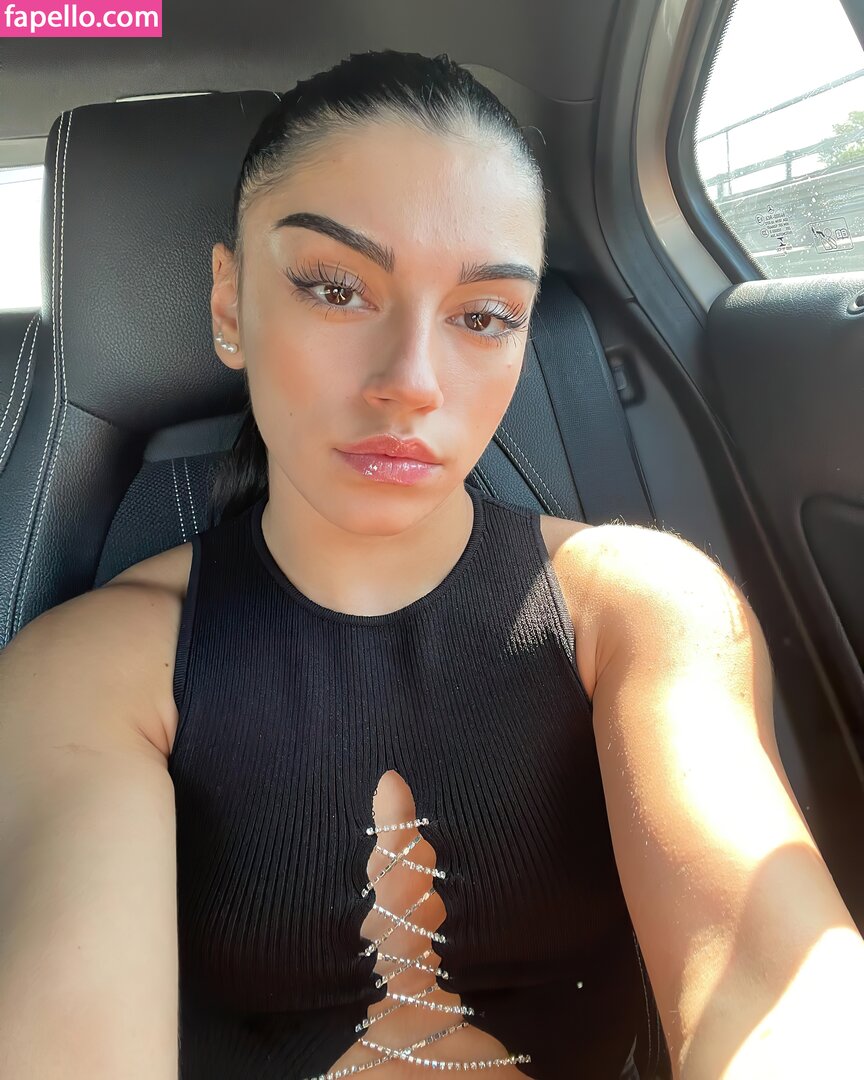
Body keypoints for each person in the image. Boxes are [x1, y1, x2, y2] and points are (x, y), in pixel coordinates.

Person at [1, 49, 863, 1080]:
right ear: (229, 305)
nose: (411, 381)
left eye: (483, 316)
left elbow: (778, 983)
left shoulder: (642, 607)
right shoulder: (92, 668)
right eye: (335, 288)